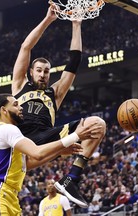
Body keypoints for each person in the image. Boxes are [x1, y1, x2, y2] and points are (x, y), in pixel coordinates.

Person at [12, 4, 106, 207]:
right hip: (23, 142)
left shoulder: (55, 93)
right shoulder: (19, 86)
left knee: (97, 124)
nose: (43, 74)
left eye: (46, 71)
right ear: (30, 72)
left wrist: (76, 25)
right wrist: (48, 20)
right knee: (20, 163)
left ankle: (71, 179)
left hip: (48, 138)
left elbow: (74, 61)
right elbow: (25, 47)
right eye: (39, 70)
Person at [0, 93, 98, 216]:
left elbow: (26, 164)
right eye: (15, 105)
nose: (21, 107)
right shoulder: (7, 129)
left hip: (10, 195)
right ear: (4, 110)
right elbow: (37, 153)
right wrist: (75, 136)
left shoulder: (7, 131)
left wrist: (59, 151)